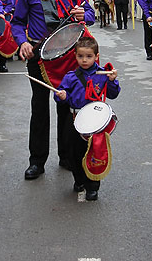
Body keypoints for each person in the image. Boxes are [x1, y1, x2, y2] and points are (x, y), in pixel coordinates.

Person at [11, 0, 95, 180]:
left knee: (66, 108)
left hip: (69, 57)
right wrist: (22, 43)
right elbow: (17, 22)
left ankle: (66, 156)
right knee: (39, 108)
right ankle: (37, 161)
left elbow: (91, 15)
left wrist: (83, 15)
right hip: (39, 58)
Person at [54, 37, 120, 201]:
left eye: (89, 56)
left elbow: (113, 94)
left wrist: (112, 81)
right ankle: (78, 180)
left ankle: (92, 187)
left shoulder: (103, 73)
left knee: (94, 152)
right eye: (80, 56)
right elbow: (62, 97)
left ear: (96, 56)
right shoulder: (70, 77)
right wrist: (62, 96)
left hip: (95, 121)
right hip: (74, 117)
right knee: (73, 152)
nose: (84, 60)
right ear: (75, 56)